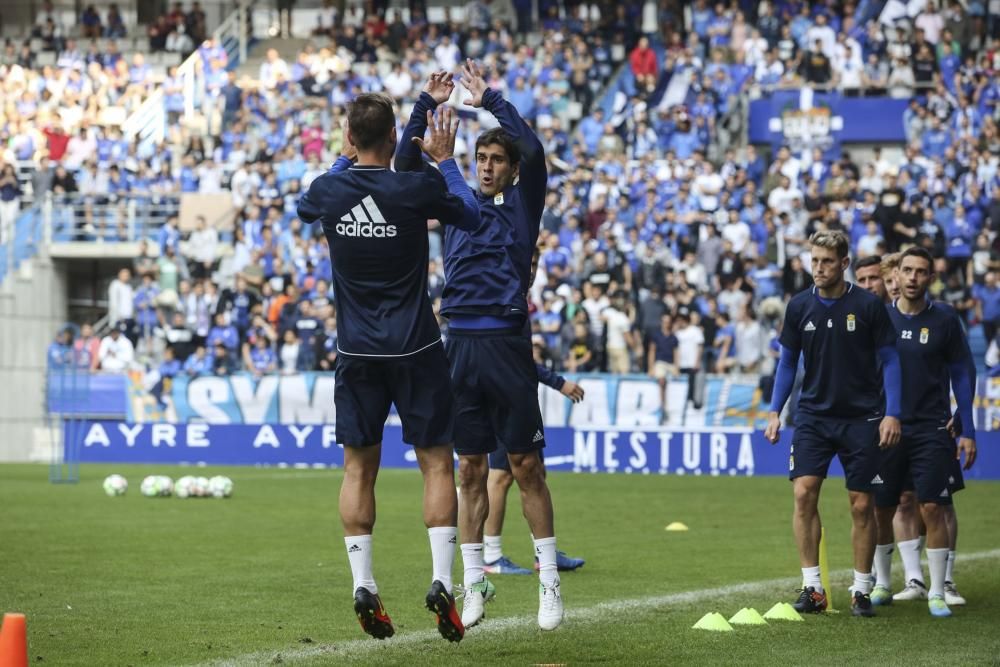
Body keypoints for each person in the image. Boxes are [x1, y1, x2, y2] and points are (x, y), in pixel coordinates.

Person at [296, 91, 479, 643]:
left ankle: (364, 583)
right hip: (417, 350)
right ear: (396, 137)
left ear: (351, 136)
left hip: (357, 353)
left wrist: (341, 159)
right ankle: (442, 581)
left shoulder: (330, 191)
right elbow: (469, 213)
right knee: (437, 465)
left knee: (358, 471)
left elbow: (309, 203)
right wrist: (445, 160)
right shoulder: (413, 188)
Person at [396, 62, 564, 631]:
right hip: (459, 347)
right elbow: (402, 164)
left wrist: (489, 99)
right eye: (481, 160)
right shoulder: (452, 197)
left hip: (508, 347)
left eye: (496, 160)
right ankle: (474, 586)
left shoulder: (523, 203)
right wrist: (424, 105)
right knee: (469, 471)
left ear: (512, 171)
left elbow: (535, 151)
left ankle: (548, 584)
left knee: (526, 467)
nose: (487, 167)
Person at [765, 230, 902, 618]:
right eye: (814, 261)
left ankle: (861, 589)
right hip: (812, 416)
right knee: (803, 494)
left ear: (844, 264)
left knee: (861, 505)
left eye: (827, 262)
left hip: (863, 419)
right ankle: (813, 588)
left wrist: (892, 412)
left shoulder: (868, 306)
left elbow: (891, 360)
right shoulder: (798, 307)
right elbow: (788, 361)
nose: (819, 269)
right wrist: (776, 409)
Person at [869, 247, 976, 617]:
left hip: (932, 427)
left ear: (931, 277)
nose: (913, 278)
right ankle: (884, 583)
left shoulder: (944, 319)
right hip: (887, 428)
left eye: (921, 272)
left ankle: (936, 588)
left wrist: (967, 423)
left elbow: (963, 371)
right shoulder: (879, 320)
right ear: (896, 275)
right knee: (883, 507)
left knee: (933, 504)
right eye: (907, 270)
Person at [484, 246, 586, 576]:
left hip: (519, 398)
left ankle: (546, 552)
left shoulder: (518, 296)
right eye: (525, 261)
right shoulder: (502, 295)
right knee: (499, 478)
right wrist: (558, 382)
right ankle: (491, 557)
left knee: (535, 473)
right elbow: (513, 359)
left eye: (534, 263)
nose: (529, 268)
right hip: (501, 396)